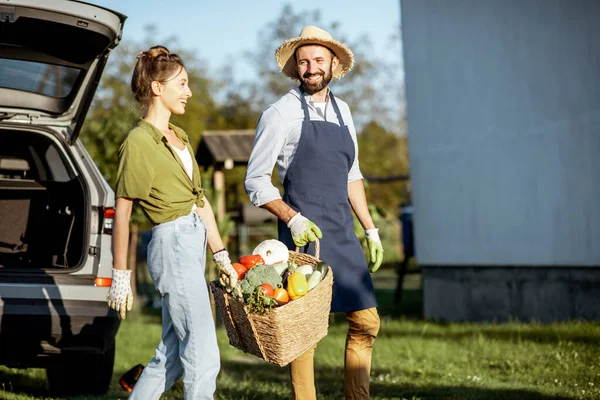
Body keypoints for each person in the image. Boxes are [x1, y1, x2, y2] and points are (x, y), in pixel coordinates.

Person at [244, 26, 384, 400]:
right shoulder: (279, 113)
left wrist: (370, 230)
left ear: (333, 64)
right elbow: (256, 181)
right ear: (295, 67)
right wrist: (293, 218)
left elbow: (351, 175)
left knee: (366, 321)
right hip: (303, 236)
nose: (311, 68)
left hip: (342, 230)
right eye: (303, 61)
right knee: (304, 333)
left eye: (318, 60)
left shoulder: (344, 112)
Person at [106, 45, 238, 400]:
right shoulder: (139, 142)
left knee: (174, 356)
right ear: (157, 88)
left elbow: (200, 200)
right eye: (181, 84)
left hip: (193, 243)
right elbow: (123, 209)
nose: (189, 92)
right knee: (203, 351)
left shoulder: (180, 137)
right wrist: (121, 274)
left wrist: (221, 254)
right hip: (172, 243)